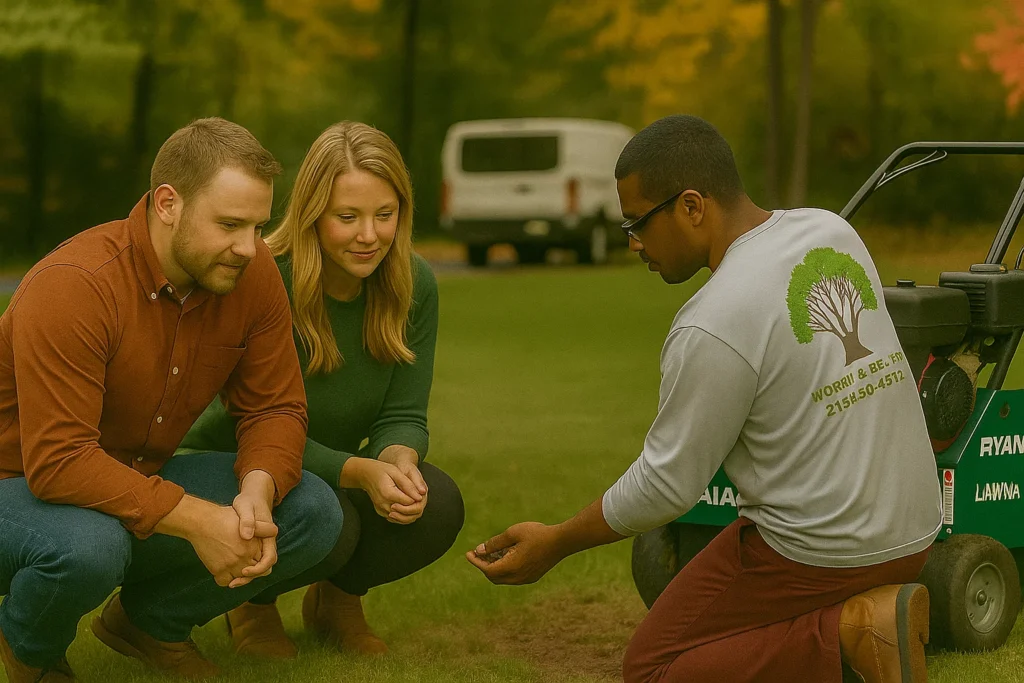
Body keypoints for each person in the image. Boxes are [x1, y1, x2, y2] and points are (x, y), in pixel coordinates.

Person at [467, 115, 942, 683]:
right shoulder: (830, 231)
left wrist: (556, 541)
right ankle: (875, 608)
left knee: (653, 667)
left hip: (821, 555)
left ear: (692, 206)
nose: (633, 243)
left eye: (638, 222)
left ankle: (852, 628)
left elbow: (667, 486)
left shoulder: (711, 322)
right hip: (917, 533)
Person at [0, 117, 344, 683]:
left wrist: (256, 490)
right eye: (231, 224)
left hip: (128, 482)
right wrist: (197, 521)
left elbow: (275, 408)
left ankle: (148, 624)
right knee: (92, 546)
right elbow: (58, 463)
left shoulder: (249, 274)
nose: (250, 247)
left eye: (259, 226)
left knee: (309, 508)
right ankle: (29, 649)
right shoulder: (75, 284)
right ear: (167, 204)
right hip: (18, 488)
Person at [180, 121, 464, 658]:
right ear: (313, 214)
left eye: (385, 215)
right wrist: (359, 471)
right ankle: (251, 608)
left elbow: (403, 412)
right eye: (347, 217)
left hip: (323, 470)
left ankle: (336, 602)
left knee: (436, 502)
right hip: (234, 464)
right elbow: (251, 425)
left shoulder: (413, 283)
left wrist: (397, 461)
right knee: (330, 514)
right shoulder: (262, 276)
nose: (369, 236)